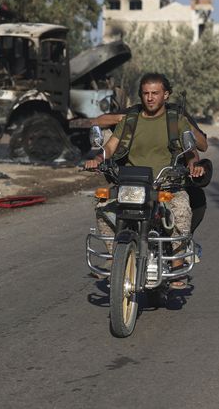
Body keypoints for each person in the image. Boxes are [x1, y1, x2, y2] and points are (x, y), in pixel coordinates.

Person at [85, 73, 207, 288]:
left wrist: (192, 165)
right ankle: (115, 255)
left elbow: (191, 150)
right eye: (146, 93)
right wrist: (97, 158)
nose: (150, 98)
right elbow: (111, 145)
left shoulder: (175, 120)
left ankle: (177, 262)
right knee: (103, 205)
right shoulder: (131, 120)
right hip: (132, 184)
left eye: (155, 93)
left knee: (181, 209)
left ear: (165, 95)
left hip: (165, 184)